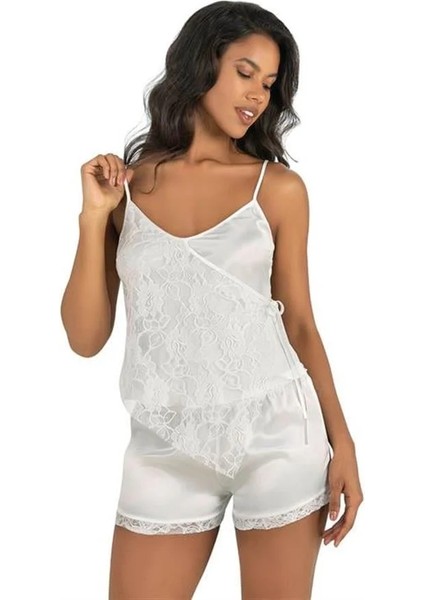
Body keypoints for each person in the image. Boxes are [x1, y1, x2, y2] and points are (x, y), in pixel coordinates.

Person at [60, 1, 364, 598]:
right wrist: (93, 219)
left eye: (269, 84)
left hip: (278, 438)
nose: (257, 96)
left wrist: (343, 442)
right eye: (245, 72)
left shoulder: (277, 189)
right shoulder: (127, 189)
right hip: (163, 445)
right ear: (201, 66)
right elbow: (85, 339)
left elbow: (300, 325)